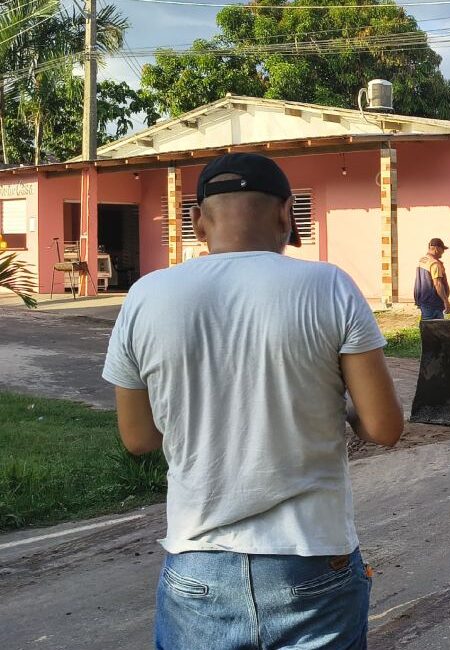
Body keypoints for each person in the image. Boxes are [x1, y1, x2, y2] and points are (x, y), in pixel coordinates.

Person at [102, 153, 407, 650]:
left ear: (199, 222)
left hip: (197, 562)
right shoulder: (328, 286)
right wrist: (341, 411)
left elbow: (138, 438)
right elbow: (384, 427)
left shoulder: (145, 295)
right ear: (287, 214)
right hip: (311, 560)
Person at [415, 238, 450, 319]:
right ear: (437, 249)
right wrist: (446, 302)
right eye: (443, 249)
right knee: (436, 328)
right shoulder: (434, 264)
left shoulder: (422, 260)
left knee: (427, 327)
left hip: (424, 302)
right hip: (433, 303)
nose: (443, 252)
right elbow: (438, 284)